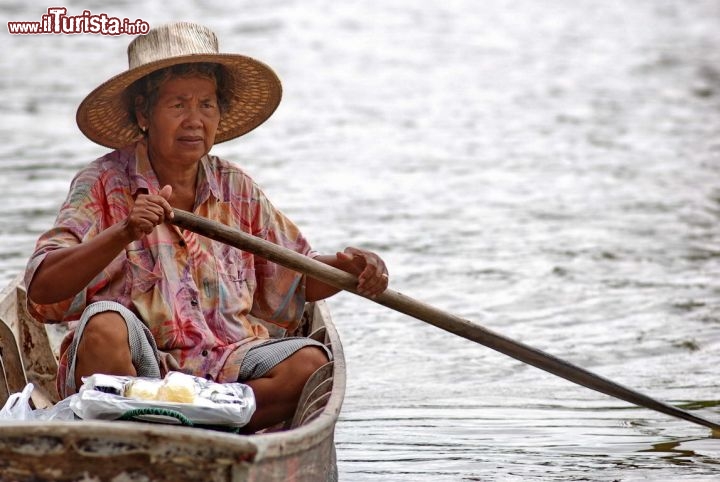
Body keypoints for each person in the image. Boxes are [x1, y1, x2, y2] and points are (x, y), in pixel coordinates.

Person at [24, 21, 389, 433]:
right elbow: (41, 290)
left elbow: (296, 278)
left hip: (227, 370)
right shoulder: (104, 183)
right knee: (104, 327)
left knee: (310, 365)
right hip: (138, 374)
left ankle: (192, 425)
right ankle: (163, 424)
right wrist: (124, 232)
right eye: (178, 105)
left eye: (207, 105)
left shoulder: (236, 187)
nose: (195, 120)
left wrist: (348, 268)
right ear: (144, 113)